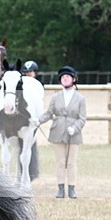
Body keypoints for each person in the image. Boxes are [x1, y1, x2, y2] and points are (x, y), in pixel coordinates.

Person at [37, 65, 86, 199]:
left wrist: (75, 128)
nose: (65, 79)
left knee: (71, 162)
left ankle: (72, 188)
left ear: (73, 79)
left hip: (73, 134)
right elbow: (49, 113)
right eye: (62, 77)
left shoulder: (81, 99)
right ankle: (60, 188)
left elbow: (82, 119)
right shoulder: (55, 97)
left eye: (67, 77)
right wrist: (38, 121)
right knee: (60, 161)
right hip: (57, 131)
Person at [21, 60, 42, 180]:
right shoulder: (21, 86)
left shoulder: (38, 87)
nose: (29, 74)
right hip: (22, 121)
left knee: (30, 145)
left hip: (33, 120)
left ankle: (32, 171)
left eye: (31, 71)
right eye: (27, 72)